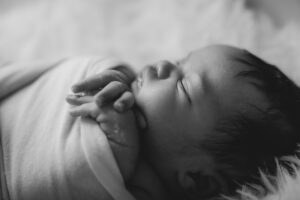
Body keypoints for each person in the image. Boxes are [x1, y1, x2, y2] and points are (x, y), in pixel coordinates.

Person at [67, 44, 300, 200]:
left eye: (183, 86)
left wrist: (106, 155)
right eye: (180, 62)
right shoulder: (118, 89)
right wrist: (111, 74)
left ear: (197, 179)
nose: (164, 65)